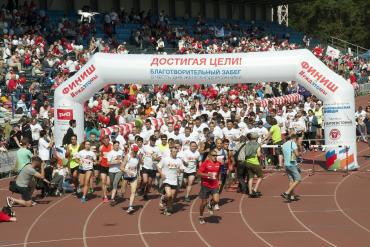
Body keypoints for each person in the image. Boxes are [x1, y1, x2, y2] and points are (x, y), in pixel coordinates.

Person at [158, 146, 185, 216]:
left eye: (176, 152)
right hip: (166, 180)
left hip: (174, 180)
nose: (175, 153)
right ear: (170, 152)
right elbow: (158, 166)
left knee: (171, 197)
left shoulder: (179, 160)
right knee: (169, 195)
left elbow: (183, 169)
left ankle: (167, 209)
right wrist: (161, 174)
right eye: (173, 152)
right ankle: (163, 198)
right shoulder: (165, 159)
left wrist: (180, 170)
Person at [197, 149, 221, 224]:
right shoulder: (205, 163)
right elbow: (198, 173)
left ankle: (210, 204)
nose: (215, 157)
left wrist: (219, 180)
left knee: (216, 200)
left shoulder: (218, 163)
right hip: (205, 185)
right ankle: (201, 216)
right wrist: (207, 175)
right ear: (210, 156)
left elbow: (218, 172)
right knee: (203, 203)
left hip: (214, 184)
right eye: (213, 155)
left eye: (216, 155)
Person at [281, 134, 301, 202]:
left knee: (291, 180)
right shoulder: (293, 143)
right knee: (298, 179)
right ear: (295, 139)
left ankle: (292, 196)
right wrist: (300, 153)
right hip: (292, 164)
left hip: (286, 164)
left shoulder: (284, 144)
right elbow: (297, 154)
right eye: (297, 140)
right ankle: (287, 192)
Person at [121, 144, 140, 214]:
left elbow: (138, 166)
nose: (136, 152)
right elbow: (121, 167)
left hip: (134, 176)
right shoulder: (127, 157)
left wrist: (139, 175)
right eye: (134, 151)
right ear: (131, 150)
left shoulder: (138, 157)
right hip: (126, 176)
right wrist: (127, 171)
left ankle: (130, 206)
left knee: (133, 192)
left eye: (137, 151)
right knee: (123, 191)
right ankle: (121, 192)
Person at [141, 135, 160, 200]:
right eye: (152, 140)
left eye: (154, 140)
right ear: (150, 140)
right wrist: (141, 161)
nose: (153, 142)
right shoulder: (145, 147)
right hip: (145, 166)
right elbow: (141, 154)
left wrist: (156, 158)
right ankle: (142, 188)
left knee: (149, 183)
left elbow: (160, 158)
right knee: (145, 181)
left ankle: (145, 194)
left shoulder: (157, 148)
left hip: (153, 168)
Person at [244, 133, 263, 198]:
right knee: (260, 176)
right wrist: (261, 154)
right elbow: (258, 154)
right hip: (254, 162)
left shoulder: (247, 144)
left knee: (250, 177)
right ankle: (254, 189)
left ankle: (250, 192)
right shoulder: (257, 144)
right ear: (255, 138)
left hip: (247, 162)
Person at [107, 141, 124, 206]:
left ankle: (112, 199)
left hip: (119, 170)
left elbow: (123, 159)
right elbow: (108, 163)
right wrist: (116, 161)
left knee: (115, 183)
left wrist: (122, 162)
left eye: (118, 145)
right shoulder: (110, 153)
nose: (117, 146)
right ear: (113, 146)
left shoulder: (121, 152)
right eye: (116, 145)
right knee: (112, 184)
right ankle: (116, 192)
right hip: (111, 171)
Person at [99, 135, 113, 202]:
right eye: (105, 141)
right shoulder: (101, 147)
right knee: (103, 181)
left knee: (108, 183)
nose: (106, 142)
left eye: (107, 140)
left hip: (110, 167)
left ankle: (109, 189)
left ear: (109, 140)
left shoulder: (112, 147)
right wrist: (98, 161)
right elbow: (101, 156)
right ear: (103, 141)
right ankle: (105, 196)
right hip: (103, 166)